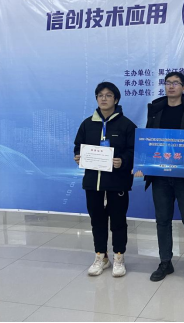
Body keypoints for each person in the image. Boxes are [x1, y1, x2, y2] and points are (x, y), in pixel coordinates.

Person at [135, 71, 184, 286]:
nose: (171, 86)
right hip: (160, 177)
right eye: (168, 82)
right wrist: (142, 165)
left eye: (176, 83)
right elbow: (149, 142)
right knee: (162, 221)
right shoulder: (156, 111)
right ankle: (165, 262)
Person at [74, 82, 136, 278]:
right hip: (93, 183)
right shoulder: (87, 124)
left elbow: (135, 151)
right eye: (100, 95)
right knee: (97, 221)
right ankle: (101, 256)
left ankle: (119, 257)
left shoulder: (127, 125)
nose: (103, 98)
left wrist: (122, 160)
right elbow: (78, 146)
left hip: (118, 182)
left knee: (118, 221)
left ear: (116, 99)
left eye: (108, 95)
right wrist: (78, 157)